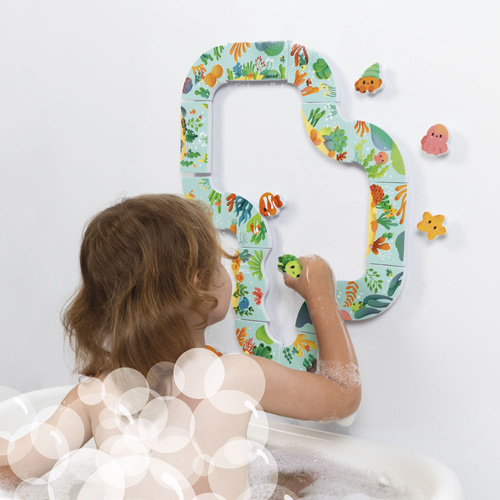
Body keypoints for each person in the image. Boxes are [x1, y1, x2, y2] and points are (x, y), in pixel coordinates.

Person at [0, 194, 361, 498]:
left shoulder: (96, 394)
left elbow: (13, 470)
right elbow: (344, 396)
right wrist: (320, 294)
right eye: (218, 261)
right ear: (198, 284)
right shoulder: (234, 377)